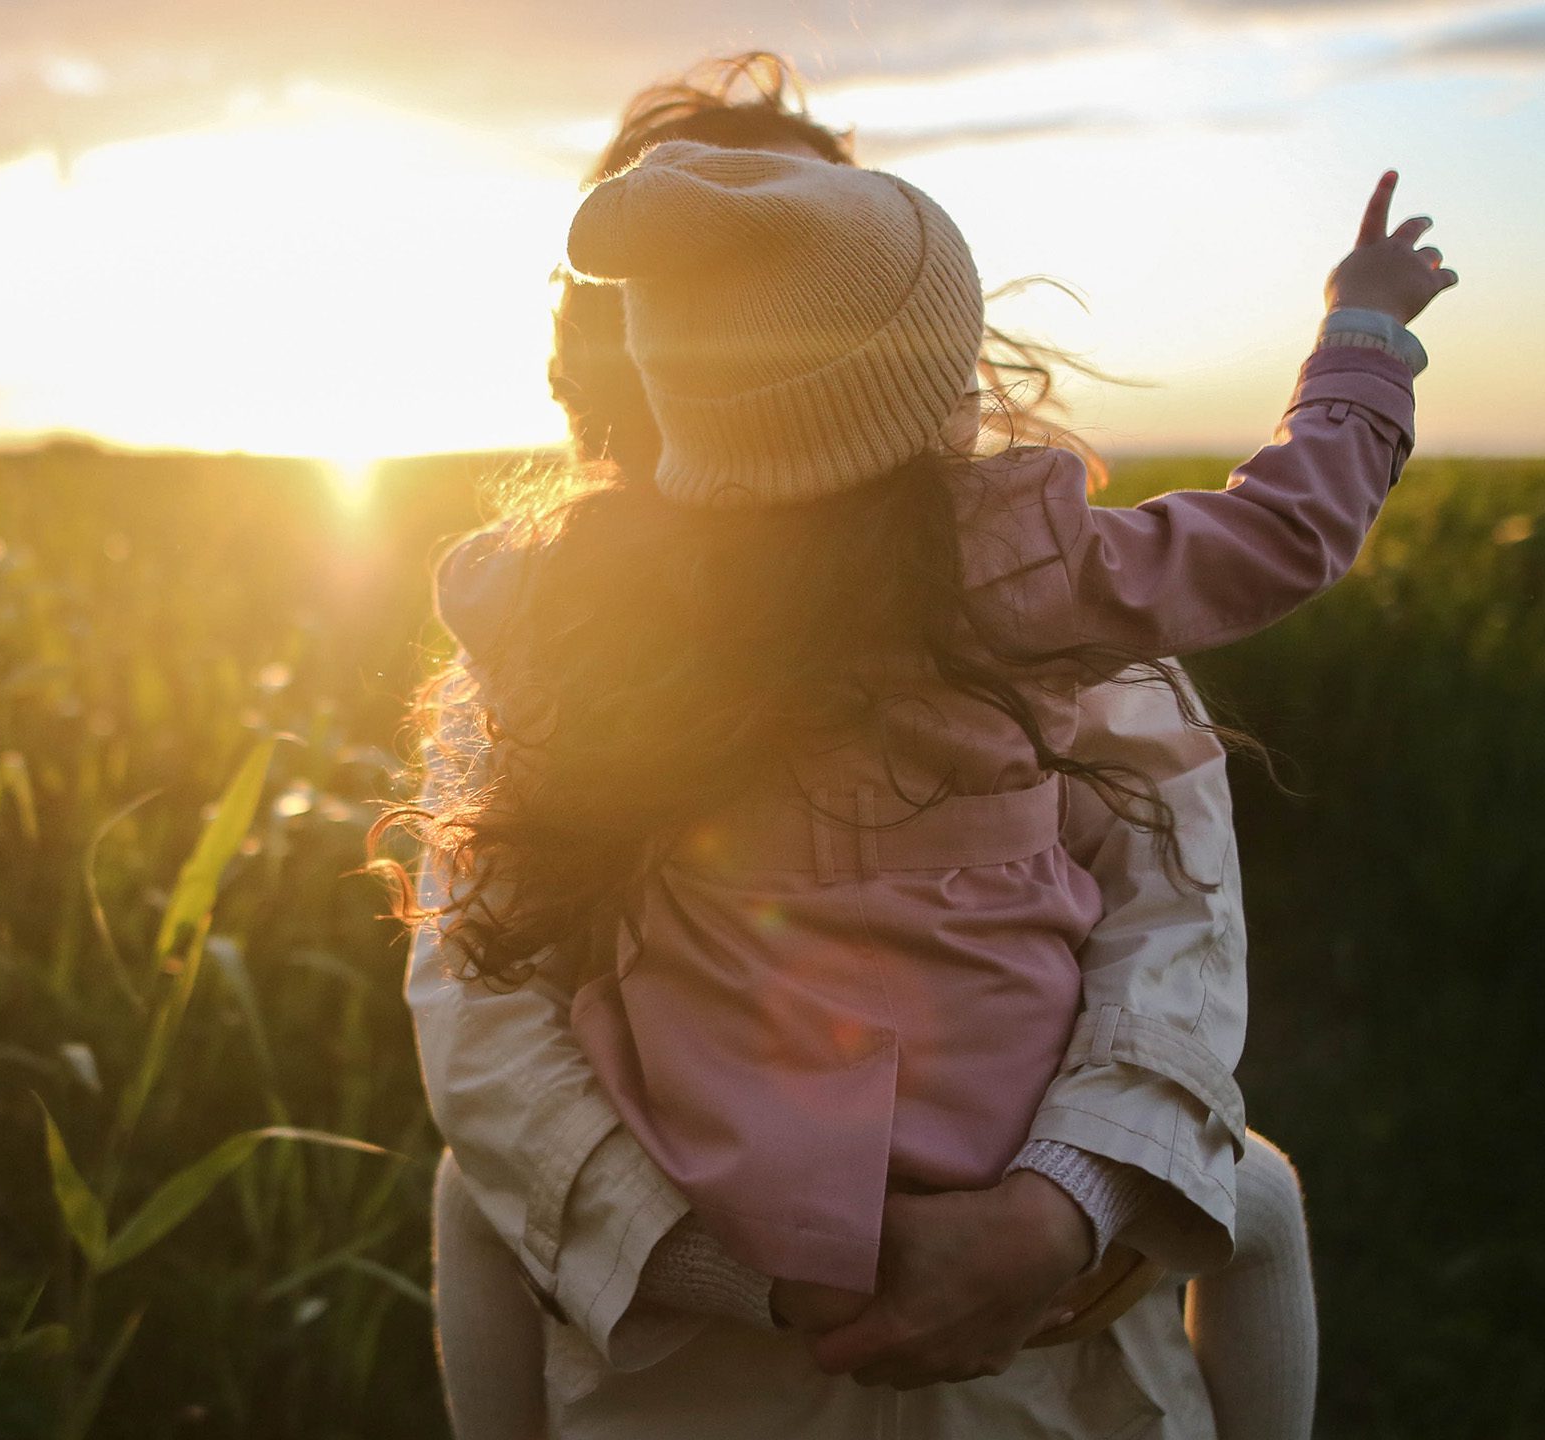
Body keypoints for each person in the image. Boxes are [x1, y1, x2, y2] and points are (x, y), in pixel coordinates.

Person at [389, 57, 1453, 1439]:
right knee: (1260, 1193)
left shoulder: (570, 608)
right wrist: (1362, 338)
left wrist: (1049, 1215)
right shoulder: (1031, 584)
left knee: (468, 1199)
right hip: (731, 1338)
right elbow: (484, 1021)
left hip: (978, 1305)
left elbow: (1173, 929)